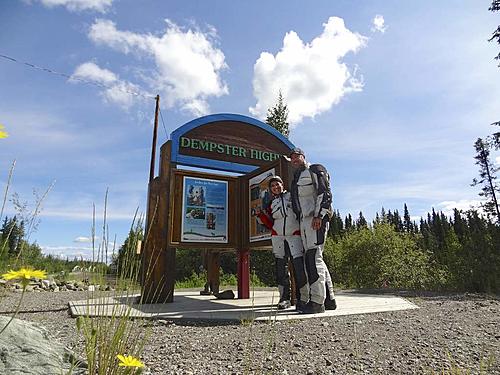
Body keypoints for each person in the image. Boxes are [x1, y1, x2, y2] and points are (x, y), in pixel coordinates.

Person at [289, 147, 337, 314]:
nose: (295, 160)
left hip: (315, 220)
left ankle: (317, 302)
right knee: (317, 258)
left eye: (297, 156)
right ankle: (329, 299)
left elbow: (325, 192)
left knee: (313, 257)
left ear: (304, 157)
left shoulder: (315, 169)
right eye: (292, 158)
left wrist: (319, 215)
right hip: (303, 222)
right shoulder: (296, 178)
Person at [256, 176, 309, 311]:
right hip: (278, 237)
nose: (275, 187)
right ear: (270, 189)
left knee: (299, 267)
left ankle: (303, 299)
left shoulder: (292, 196)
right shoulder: (270, 203)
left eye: (277, 184)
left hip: (294, 235)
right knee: (281, 269)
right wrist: (260, 215)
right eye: (272, 186)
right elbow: (269, 223)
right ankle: (284, 299)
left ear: (282, 184)